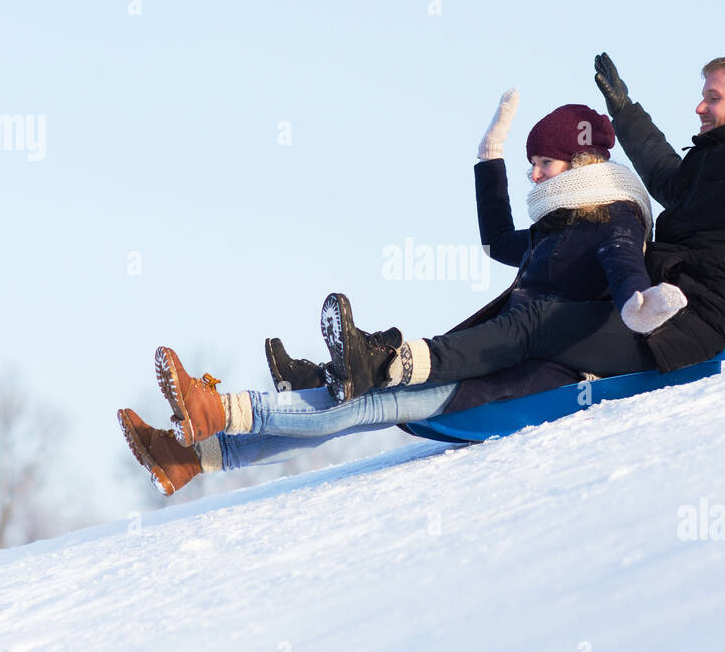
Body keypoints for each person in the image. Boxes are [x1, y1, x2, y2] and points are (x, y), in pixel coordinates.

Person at [118, 97, 685, 495]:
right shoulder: (560, 223)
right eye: (530, 164)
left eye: (543, 164)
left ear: (582, 162)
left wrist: (642, 305)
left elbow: (625, 270)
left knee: (362, 402)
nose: (535, 176)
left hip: (518, 379)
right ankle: (191, 457)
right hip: (488, 351)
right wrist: (489, 160)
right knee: (353, 400)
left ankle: (219, 410)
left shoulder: (615, 217)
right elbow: (498, 243)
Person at [290, 0, 725, 401]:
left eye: (711, 97)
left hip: (686, 325)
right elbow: (665, 174)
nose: (698, 107)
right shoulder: (711, 161)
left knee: (533, 326)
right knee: (513, 318)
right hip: (656, 303)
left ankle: (386, 368)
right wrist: (625, 111)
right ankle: (345, 375)